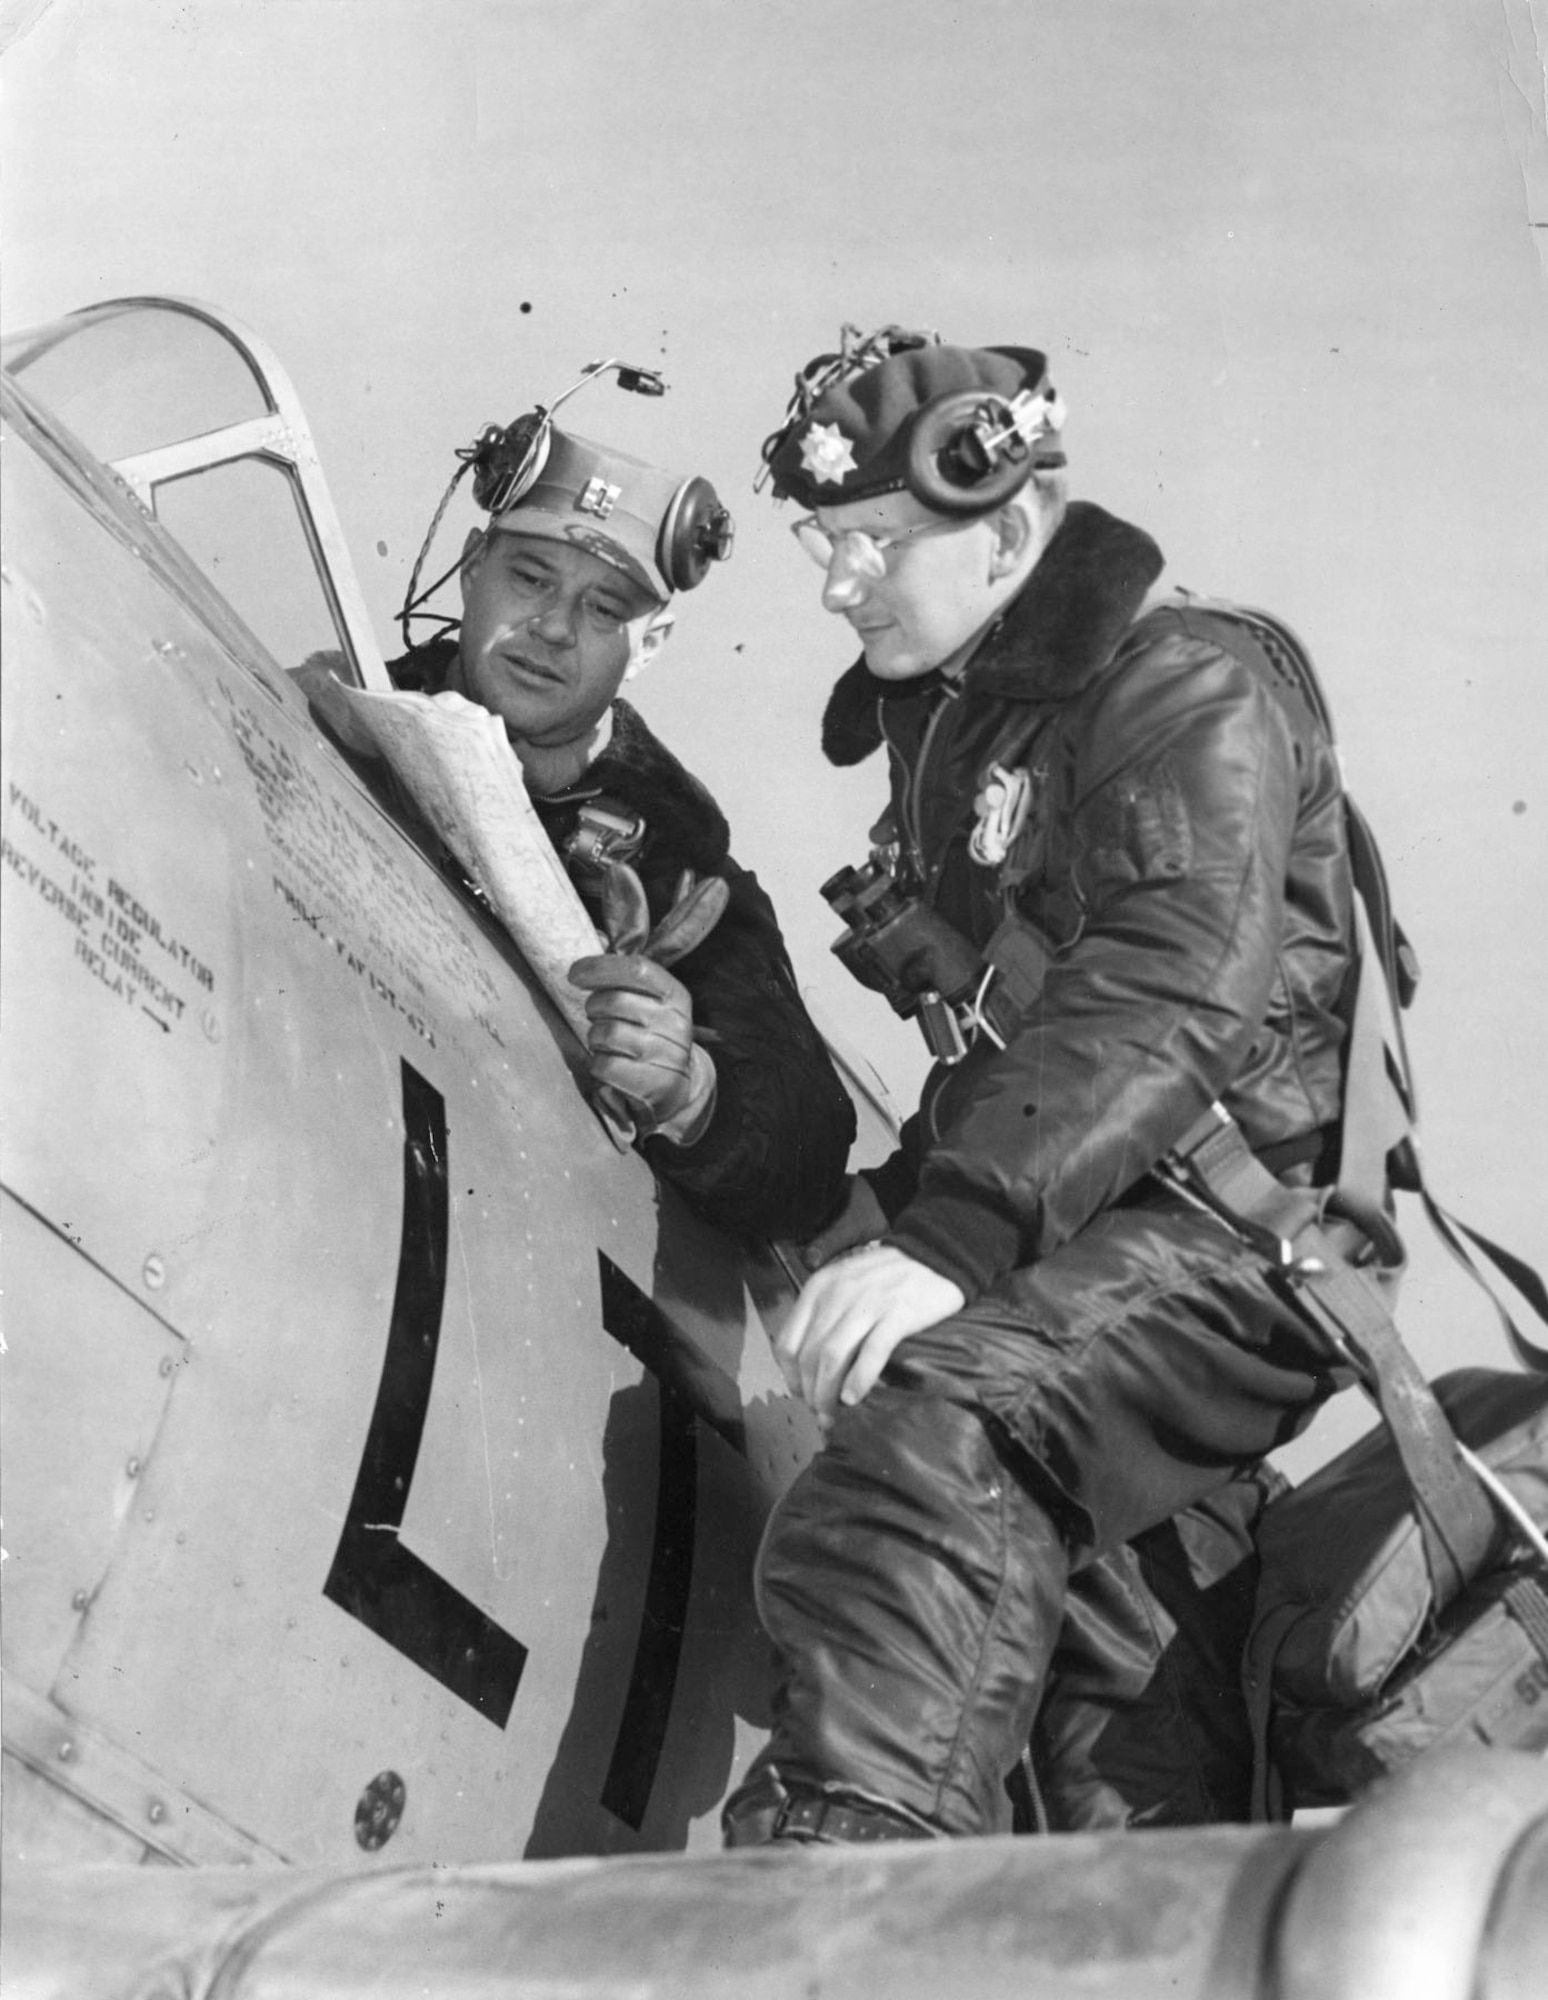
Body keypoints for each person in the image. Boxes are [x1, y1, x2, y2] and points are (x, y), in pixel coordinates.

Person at [720, 326, 1363, 1842]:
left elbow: (1171, 982)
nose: (835, 584)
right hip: (1104, 1239)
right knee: (1115, 1751)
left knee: (943, 1434)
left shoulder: (1184, 685)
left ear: (1010, 529)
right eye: (825, 542)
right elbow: (1019, 1045)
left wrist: (946, 1243)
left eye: (874, 544)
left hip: (1228, 1240)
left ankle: (823, 1920)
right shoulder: (971, 722)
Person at [316, 417, 855, 1244]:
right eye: (530, 579)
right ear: (471, 569)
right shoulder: (334, 713)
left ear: (651, 647)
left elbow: (808, 1151)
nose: (556, 628)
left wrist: (691, 1092)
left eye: (605, 609)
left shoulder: (686, 875)